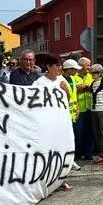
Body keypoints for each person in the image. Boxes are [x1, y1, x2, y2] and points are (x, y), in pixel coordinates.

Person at [33, 55, 75, 190]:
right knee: (48, 150)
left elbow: (66, 101)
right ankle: (46, 179)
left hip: (60, 122)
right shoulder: (40, 82)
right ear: (48, 67)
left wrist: (66, 91)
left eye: (60, 65)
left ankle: (61, 179)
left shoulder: (62, 80)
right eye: (56, 65)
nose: (59, 68)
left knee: (61, 150)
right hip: (46, 123)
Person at [72, 58, 94, 161]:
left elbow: (93, 87)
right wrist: (84, 87)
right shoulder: (74, 76)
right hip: (79, 110)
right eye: (87, 65)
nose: (89, 67)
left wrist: (84, 87)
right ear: (81, 66)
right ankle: (77, 154)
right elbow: (75, 89)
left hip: (89, 108)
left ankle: (88, 153)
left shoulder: (91, 76)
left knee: (89, 133)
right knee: (78, 133)